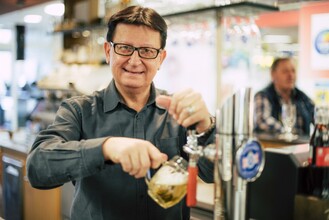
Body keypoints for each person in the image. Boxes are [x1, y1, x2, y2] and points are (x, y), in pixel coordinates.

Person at [26, 5, 215, 220]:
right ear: (108, 51)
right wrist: (107, 147)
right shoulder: (78, 110)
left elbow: (214, 174)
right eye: (125, 48)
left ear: (160, 59)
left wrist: (206, 126)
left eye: (147, 51)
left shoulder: (178, 112)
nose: (135, 61)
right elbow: (37, 169)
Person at [254, 57, 314, 136]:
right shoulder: (263, 95)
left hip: (302, 147)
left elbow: (319, 118)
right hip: (273, 147)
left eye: (293, 71)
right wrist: (287, 132)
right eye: (285, 71)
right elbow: (262, 121)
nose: (291, 75)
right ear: (273, 74)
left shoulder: (303, 98)